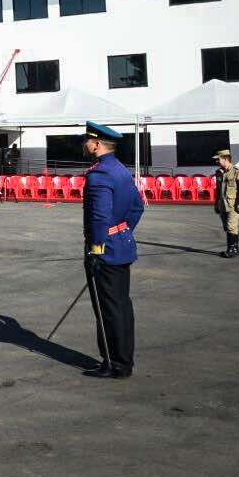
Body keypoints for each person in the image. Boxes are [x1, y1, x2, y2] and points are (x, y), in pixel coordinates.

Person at [80, 122, 143, 379]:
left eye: (87, 140)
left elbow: (98, 216)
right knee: (121, 306)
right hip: (121, 246)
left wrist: (96, 249)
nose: (85, 144)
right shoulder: (119, 170)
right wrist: (122, 231)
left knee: (108, 309)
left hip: (104, 250)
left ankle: (114, 363)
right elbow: (137, 207)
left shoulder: (100, 175)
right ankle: (123, 359)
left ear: (96, 144)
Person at [214, 149, 239, 259]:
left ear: (225, 159)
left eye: (218, 159)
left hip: (234, 204)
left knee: (231, 226)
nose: (216, 162)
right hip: (223, 204)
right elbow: (218, 190)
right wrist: (216, 203)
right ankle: (235, 249)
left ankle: (231, 249)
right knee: (227, 227)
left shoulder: (238, 171)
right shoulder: (218, 172)